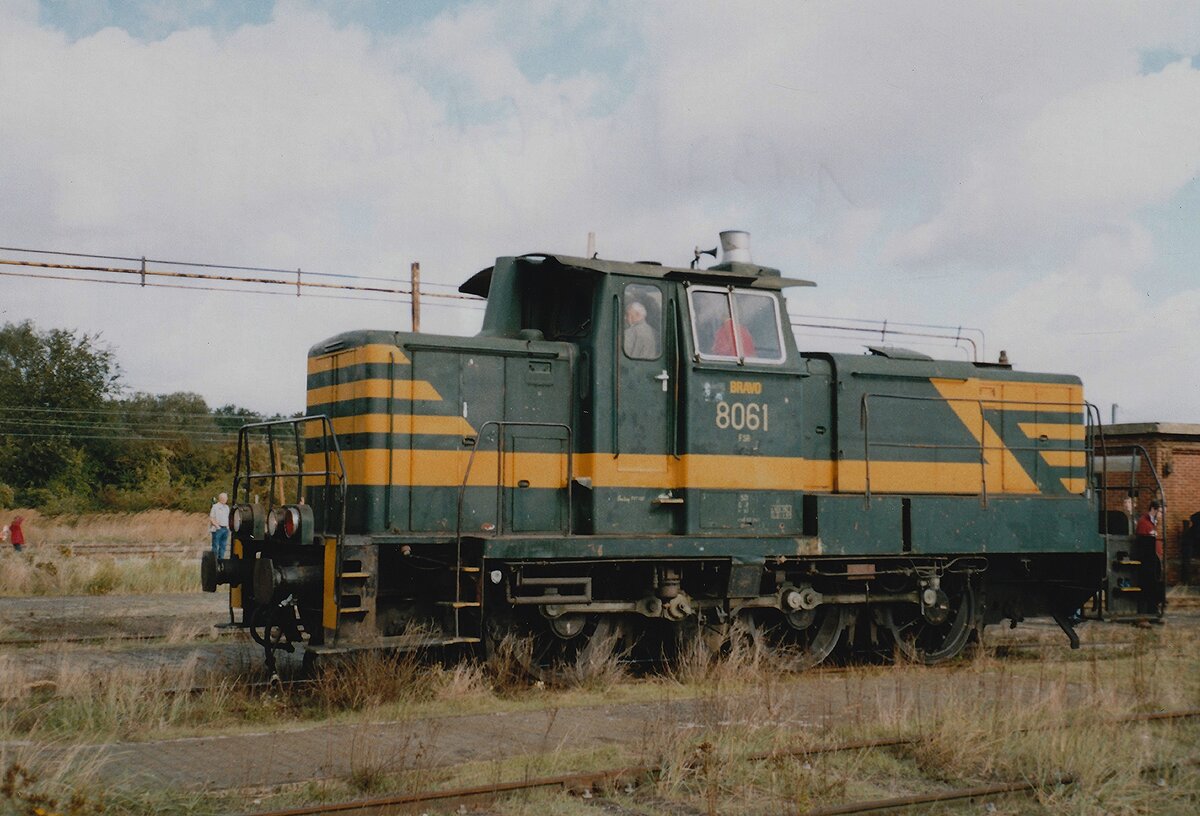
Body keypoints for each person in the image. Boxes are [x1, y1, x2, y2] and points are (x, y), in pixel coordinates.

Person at [1133, 499, 1164, 617]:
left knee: (1155, 585)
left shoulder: (1153, 523)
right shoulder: (1143, 523)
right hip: (1148, 559)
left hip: (1155, 558)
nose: (1161, 515)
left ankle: (1153, 610)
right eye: (1160, 512)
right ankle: (1145, 612)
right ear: (1153, 509)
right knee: (1148, 585)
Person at [210, 493, 230, 560]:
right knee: (215, 545)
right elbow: (212, 518)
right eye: (225, 498)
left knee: (223, 546)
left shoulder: (227, 507)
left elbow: (228, 518)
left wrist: (228, 527)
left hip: (225, 529)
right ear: (221, 498)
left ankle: (221, 560)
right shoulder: (215, 507)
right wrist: (217, 526)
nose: (226, 499)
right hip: (217, 529)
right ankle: (214, 560)